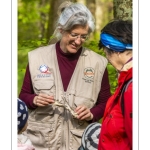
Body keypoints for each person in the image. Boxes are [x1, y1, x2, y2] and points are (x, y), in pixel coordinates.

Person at [19, 1, 111, 150]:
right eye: (74, 35)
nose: (78, 41)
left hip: (79, 143)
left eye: (83, 37)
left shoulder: (97, 63)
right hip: (40, 143)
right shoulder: (38, 58)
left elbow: (106, 103)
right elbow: (23, 95)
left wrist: (91, 113)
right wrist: (34, 99)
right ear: (61, 30)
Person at [98, 19, 132, 150]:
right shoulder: (127, 81)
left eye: (106, 53)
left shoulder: (132, 88)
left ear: (116, 51)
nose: (108, 59)